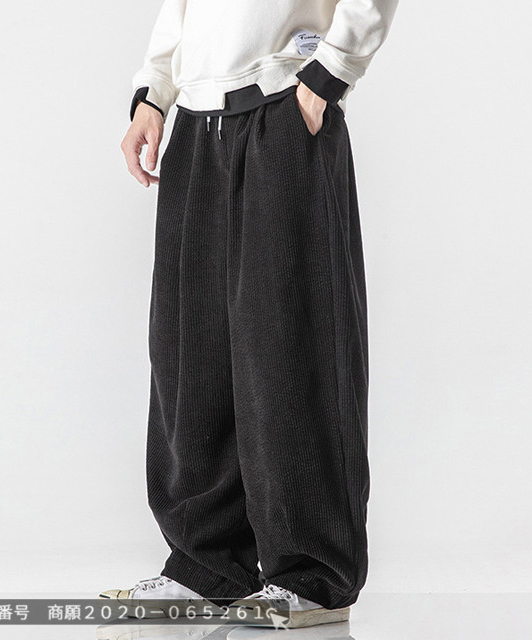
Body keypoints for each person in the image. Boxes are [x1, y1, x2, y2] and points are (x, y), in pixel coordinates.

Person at [101, 0, 399, 628]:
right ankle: (206, 567)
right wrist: (155, 91)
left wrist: (332, 70)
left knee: (289, 347)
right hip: (195, 124)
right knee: (189, 353)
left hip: (284, 108)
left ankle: (313, 577)